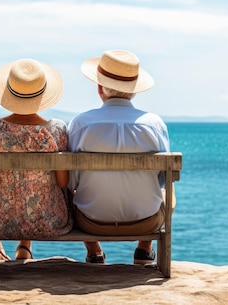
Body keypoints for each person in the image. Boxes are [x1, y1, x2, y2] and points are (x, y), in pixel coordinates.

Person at [67, 49, 170, 265]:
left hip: (91, 222)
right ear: (134, 90)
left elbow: (71, 181)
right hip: (145, 222)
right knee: (169, 188)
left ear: (99, 88)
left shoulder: (81, 124)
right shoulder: (154, 124)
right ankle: (144, 249)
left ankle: (94, 252)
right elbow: (161, 179)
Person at [0, 58, 73, 261]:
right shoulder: (57, 129)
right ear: (42, 94)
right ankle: (24, 246)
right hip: (47, 222)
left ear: (9, 92)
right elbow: (63, 182)